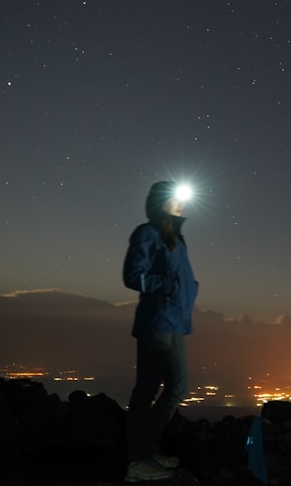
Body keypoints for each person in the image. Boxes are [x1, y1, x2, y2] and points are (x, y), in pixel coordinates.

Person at [122, 180, 199, 482]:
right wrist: (166, 286)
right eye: (173, 199)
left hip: (176, 324)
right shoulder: (147, 233)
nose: (180, 203)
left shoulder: (177, 240)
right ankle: (136, 461)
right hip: (156, 321)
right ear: (159, 202)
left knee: (178, 386)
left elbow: (178, 277)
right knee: (146, 390)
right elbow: (133, 276)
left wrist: (187, 289)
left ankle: (149, 450)